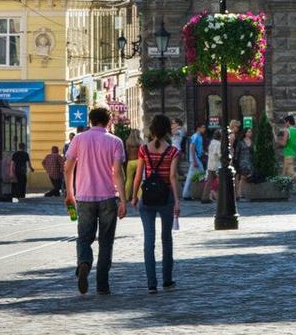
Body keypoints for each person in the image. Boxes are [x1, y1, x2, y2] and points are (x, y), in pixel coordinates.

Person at [64, 107, 127, 295]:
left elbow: (68, 168)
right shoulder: (115, 141)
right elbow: (117, 172)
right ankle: (102, 284)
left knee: (84, 237)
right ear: (108, 121)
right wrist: (123, 200)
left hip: (84, 197)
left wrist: (69, 193)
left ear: (90, 121)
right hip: (108, 197)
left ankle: (83, 263)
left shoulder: (78, 139)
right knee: (106, 242)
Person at [128, 114, 180, 293]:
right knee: (167, 239)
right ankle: (167, 280)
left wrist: (134, 196)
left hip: (148, 198)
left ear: (151, 130)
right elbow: (172, 177)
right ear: (167, 131)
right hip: (166, 198)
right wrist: (177, 202)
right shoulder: (173, 151)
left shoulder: (143, 149)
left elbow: (138, 175)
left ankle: (151, 284)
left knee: (148, 240)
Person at [181, 122, 205, 201]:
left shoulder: (199, 136)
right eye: (203, 127)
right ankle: (204, 195)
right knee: (201, 175)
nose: (204, 129)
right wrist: (194, 160)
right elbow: (192, 148)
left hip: (197, 158)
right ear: (198, 128)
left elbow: (198, 148)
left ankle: (186, 193)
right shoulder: (195, 136)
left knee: (193, 176)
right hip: (195, 159)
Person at [280, 115, 296, 190]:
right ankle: (285, 189)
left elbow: (284, 143)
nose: (284, 124)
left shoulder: (287, 130)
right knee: (286, 172)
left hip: (288, 153)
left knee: (290, 173)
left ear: (288, 122)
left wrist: (278, 141)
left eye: (285, 122)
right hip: (294, 153)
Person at [232, 126, 253, 200]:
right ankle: (239, 193)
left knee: (247, 176)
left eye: (251, 132)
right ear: (245, 133)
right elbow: (237, 152)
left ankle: (242, 192)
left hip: (249, 161)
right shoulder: (240, 142)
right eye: (249, 132)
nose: (250, 133)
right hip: (242, 161)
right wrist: (236, 161)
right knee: (243, 176)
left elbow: (252, 152)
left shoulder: (251, 141)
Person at [204, 130, 222, 203]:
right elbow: (219, 154)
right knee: (220, 181)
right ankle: (219, 197)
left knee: (209, 182)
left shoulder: (211, 142)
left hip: (210, 164)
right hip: (216, 164)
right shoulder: (218, 143)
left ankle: (205, 197)